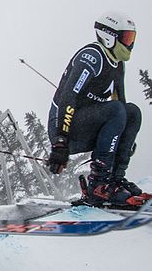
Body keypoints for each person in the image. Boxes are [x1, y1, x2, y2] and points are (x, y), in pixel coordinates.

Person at [47, 11, 148, 205]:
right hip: (65, 127)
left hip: (92, 125)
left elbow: (123, 105)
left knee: (133, 112)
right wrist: (60, 142)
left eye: (132, 38)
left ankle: (115, 179)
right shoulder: (92, 57)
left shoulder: (117, 65)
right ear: (109, 36)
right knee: (117, 109)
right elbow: (69, 97)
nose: (130, 44)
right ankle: (98, 185)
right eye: (126, 38)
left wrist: (125, 139)